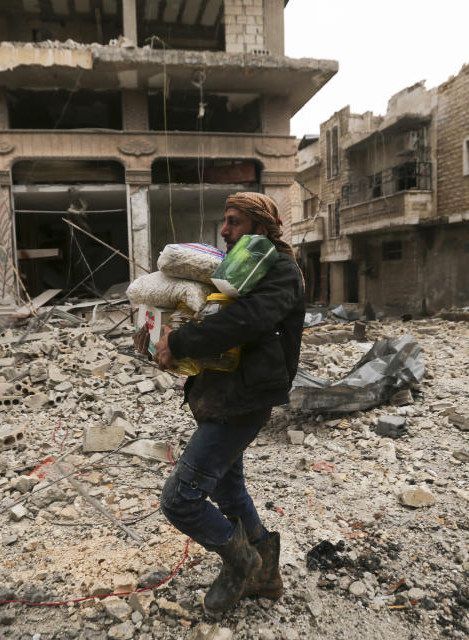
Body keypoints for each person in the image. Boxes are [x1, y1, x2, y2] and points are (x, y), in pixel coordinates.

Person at [134, 192, 305, 615]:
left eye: (235, 222)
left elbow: (244, 321)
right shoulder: (234, 270)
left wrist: (183, 340)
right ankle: (266, 578)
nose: (225, 231)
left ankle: (243, 562)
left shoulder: (279, 270)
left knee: (180, 499)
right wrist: (158, 339)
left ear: (262, 228)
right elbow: (207, 322)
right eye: (225, 222)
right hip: (219, 395)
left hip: (242, 401)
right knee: (229, 491)